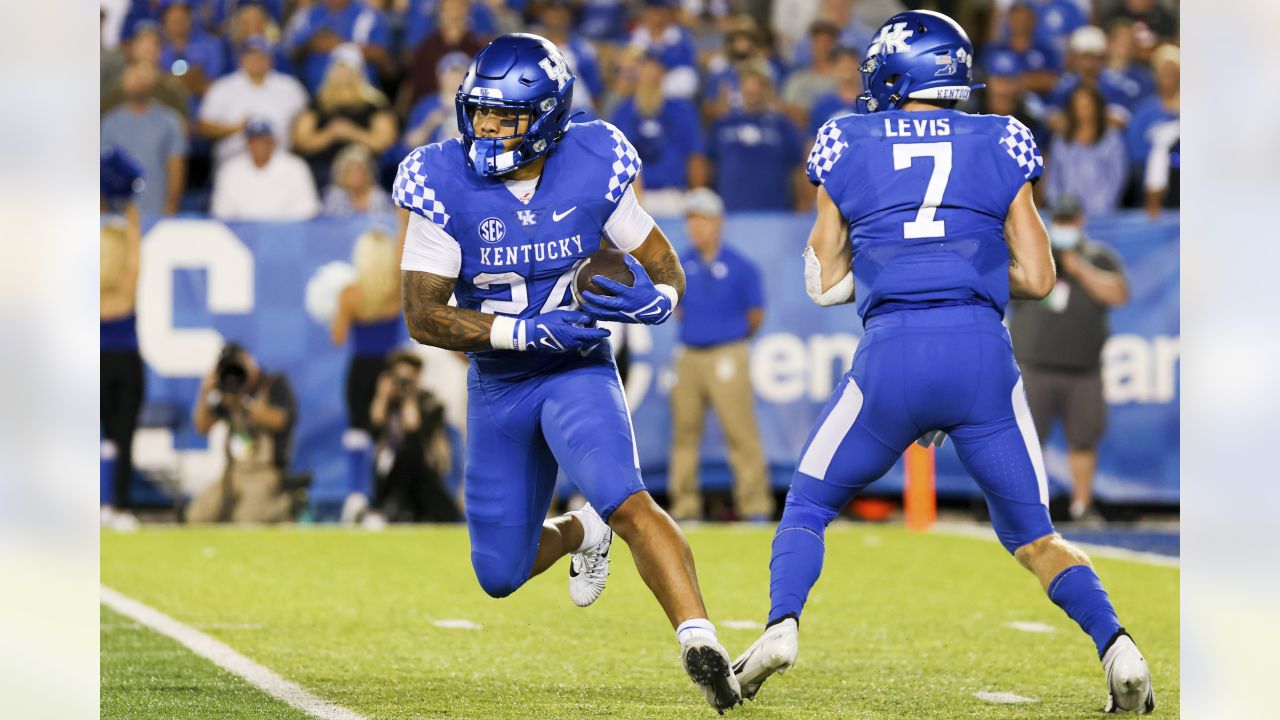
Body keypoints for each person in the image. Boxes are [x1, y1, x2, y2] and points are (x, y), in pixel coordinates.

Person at [731, 11, 1154, 714]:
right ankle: (1118, 647)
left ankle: (780, 626)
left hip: (892, 349)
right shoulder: (1001, 136)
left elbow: (823, 272)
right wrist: (968, 267)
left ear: (897, 73)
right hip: (980, 351)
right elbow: (1042, 276)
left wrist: (894, 267)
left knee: (806, 505)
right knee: (1035, 537)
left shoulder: (846, 137)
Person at [393, 34, 743, 712]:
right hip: (499, 383)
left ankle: (701, 639)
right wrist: (520, 331)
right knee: (499, 574)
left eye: (504, 116)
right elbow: (423, 316)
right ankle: (583, 531)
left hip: (575, 370)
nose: (486, 127)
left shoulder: (592, 159)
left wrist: (659, 301)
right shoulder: (442, 177)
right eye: (480, 111)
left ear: (548, 117)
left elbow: (665, 266)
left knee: (628, 496)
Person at [1009, 196, 1129, 521]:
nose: (1064, 226)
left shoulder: (1099, 257)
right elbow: (1007, 286)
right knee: (1027, 441)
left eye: (1068, 220)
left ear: (1081, 220)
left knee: (1083, 441)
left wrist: (1080, 269)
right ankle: (1026, 511)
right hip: (1035, 364)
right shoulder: (1035, 252)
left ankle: (1081, 506)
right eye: (1059, 220)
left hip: (1083, 368)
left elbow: (1119, 294)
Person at [666, 189, 771, 523]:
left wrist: (731, 341)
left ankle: (754, 506)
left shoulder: (740, 266)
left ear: (717, 223)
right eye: (691, 221)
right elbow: (676, 309)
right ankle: (685, 507)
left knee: (740, 433)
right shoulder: (679, 265)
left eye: (702, 221)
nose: (696, 228)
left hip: (727, 353)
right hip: (689, 355)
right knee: (684, 434)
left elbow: (755, 314)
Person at [331, 228, 407, 526]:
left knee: (357, 433)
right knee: (387, 435)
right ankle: (381, 502)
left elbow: (337, 337)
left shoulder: (350, 295)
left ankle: (355, 497)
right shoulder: (396, 291)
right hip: (388, 370)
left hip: (360, 371)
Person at [187, 342, 298, 524]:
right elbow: (202, 428)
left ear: (249, 360)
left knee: (246, 519)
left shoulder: (273, 384)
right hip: (233, 474)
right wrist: (205, 393)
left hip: (265, 473)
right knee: (197, 516)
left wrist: (245, 402)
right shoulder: (228, 393)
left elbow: (280, 421)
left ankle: (282, 507)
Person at [100, 150, 147, 532]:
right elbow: (134, 259)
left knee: (95, 435)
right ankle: (116, 506)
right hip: (125, 361)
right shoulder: (125, 285)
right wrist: (129, 207)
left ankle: (98, 504)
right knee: (122, 433)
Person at [608, 51, 707, 216]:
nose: (649, 72)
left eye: (654, 66)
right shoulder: (623, 111)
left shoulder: (681, 108)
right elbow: (615, 159)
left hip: (673, 195)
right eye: (645, 66)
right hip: (636, 196)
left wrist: (695, 196)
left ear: (663, 72)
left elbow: (695, 156)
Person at [368, 350, 460, 523]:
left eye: (409, 377)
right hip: (391, 473)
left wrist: (410, 398)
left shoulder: (430, 402)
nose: (403, 383)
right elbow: (374, 427)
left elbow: (414, 432)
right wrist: (381, 396)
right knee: (393, 459)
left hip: (424, 469)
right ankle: (382, 510)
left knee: (409, 454)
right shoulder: (388, 401)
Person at [292, 43, 398, 188]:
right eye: (340, 68)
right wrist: (330, 134)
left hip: (365, 171)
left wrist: (352, 133)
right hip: (322, 170)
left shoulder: (375, 104)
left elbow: (385, 143)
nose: (345, 74)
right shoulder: (317, 104)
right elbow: (301, 142)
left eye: (350, 69)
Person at [198, 36, 309, 166]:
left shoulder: (290, 87)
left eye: (261, 56)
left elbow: (307, 120)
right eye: (251, 56)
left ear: (271, 60)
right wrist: (234, 128)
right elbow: (204, 127)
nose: (256, 60)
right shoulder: (222, 88)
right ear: (241, 59)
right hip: (233, 162)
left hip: (281, 162)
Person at [707, 66, 806, 212]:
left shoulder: (782, 126)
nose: (752, 92)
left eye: (758, 87)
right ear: (740, 89)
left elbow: (798, 168)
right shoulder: (722, 124)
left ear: (767, 91)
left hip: (775, 213)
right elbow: (708, 166)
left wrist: (802, 204)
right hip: (729, 212)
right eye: (747, 87)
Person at [101, 61, 188, 216]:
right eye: (133, 77)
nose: (137, 83)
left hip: (157, 210)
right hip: (118, 214)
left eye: (142, 78)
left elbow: (176, 168)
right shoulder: (110, 123)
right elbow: (102, 170)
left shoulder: (169, 121)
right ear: (123, 82)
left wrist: (171, 208)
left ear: (151, 83)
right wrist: (105, 214)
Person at [210, 118, 321, 221]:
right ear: (246, 143)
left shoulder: (296, 167)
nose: (259, 145)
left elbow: (307, 210)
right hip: (241, 234)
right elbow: (222, 212)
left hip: (285, 233)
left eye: (264, 141)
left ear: (273, 142)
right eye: (254, 141)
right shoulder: (230, 170)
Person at [1044, 83, 1127, 217]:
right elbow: (1053, 177)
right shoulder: (1060, 139)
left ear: (1097, 107)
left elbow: (1117, 176)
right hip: (1066, 212)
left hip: (1101, 212)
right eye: (1078, 105)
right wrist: (1057, 206)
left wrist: (1104, 206)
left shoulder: (1111, 139)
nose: (1083, 110)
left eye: (1087, 105)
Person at [322, 144, 395, 217]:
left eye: (359, 170)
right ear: (341, 174)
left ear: (368, 173)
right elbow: (329, 225)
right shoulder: (335, 196)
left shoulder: (378, 197)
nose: (355, 176)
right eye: (350, 171)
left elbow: (386, 224)